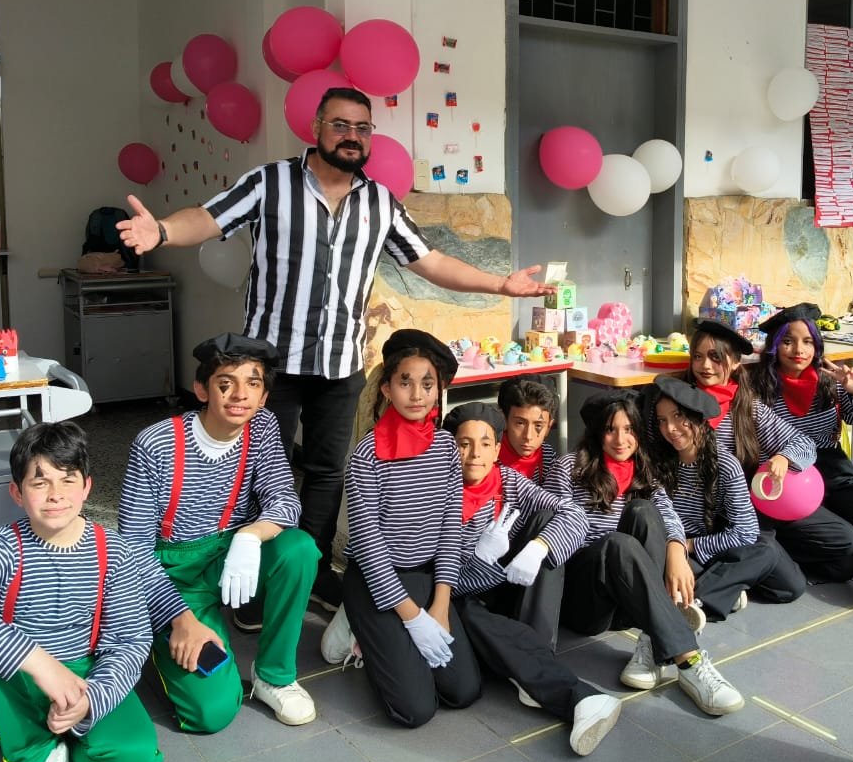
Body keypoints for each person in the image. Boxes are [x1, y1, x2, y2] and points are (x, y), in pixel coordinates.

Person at [117, 87, 553, 611]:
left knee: (326, 473)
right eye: (341, 125)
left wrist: (500, 285)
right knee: (256, 472)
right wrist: (161, 229)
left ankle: (312, 568)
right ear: (316, 129)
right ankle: (253, 582)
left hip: (340, 364)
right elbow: (209, 218)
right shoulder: (270, 182)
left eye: (362, 128)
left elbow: (430, 261)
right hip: (270, 368)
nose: (352, 136)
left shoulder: (378, 202)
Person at [0, 422, 161, 762]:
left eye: (68, 480)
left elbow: (130, 640)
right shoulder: (1, 547)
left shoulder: (114, 552)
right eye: (40, 482)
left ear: (86, 488)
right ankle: (39, 751)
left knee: (134, 754)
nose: (55, 494)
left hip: (87, 673)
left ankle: (56, 731)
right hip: (19, 676)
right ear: (17, 493)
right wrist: (39, 663)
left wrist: (89, 702)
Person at [118, 333, 319, 731]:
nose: (239, 395)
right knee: (211, 713)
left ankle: (274, 675)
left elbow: (285, 499)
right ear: (202, 390)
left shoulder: (261, 427)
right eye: (225, 384)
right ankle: (156, 642)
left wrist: (251, 536)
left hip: (232, 553)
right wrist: (180, 618)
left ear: (264, 397)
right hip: (173, 575)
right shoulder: (156, 444)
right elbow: (133, 548)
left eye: (253, 384)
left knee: (298, 549)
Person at [549, 390, 746, 717]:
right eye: (611, 429)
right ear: (598, 432)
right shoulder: (569, 468)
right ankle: (690, 661)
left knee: (643, 510)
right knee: (617, 544)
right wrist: (610, 550)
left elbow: (666, 513)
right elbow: (560, 531)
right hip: (583, 598)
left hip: (625, 600)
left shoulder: (642, 467)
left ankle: (651, 643)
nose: (621, 440)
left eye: (629, 430)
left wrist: (676, 549)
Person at [442, 402, 620, 756]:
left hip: (509, 589)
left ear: (496, 449)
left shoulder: (508, 481)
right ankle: (576, 694)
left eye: (485, 443)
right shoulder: (436, 493)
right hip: (463, 593)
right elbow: (443, 583)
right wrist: (480, 558)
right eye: (464, 444)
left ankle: (537, 660)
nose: (475, 454)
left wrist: (539, 546)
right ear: (450, 447)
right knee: (462, 611)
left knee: (546, 520)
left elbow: (573, 515)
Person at [338, 329, 479, 728]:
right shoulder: (367, 455)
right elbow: (367, 545)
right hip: (374, 579)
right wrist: (412, 618)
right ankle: (361, 630)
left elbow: (452, 528)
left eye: (427, 384)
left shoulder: (446, 448)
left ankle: (391, 636)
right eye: (405, 382)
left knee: (463, 691)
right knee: (416, 711)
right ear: (386, 389)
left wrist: (439, 603)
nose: (417, 394)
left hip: (425, 578)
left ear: (438, 390)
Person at [683, 321, 841, 585]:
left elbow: (803, 443)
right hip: (692, 514)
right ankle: (716, 579)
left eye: (715, 357)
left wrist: (783, 457)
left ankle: (725, 576)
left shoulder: (746, 407)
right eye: (697, 357)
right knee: (777, 572)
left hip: (737, 514)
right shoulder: (680, 404)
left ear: (735, 363)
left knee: (799, 580)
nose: (705, 366)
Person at [642, 374, 802, 624]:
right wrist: (679, 548)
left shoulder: (726, 464)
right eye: (662, 421)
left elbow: (746, 533)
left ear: (697, 417)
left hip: (714, 542)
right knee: (680, 574)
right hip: (675, 548)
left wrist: (692, 545)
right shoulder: (657, 464)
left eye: (678, 416)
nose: (670, 429)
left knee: (786, 581)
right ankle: (702, 603)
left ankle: (722, 588)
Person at [748, 303, 853, 570]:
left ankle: (829, 535)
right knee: (844, 566)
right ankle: (782, 547)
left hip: (832, 471)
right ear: (774, 346)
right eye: (788, 342)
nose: (798, 350)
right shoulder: (758, 386)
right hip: (787, 478)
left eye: (807, 342)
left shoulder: (832, 383)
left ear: (817, 346)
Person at [496, 376, 560, 484]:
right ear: (504, 420)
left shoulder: (548, 459)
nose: (528, 436)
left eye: (538, 425)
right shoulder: (488, 459)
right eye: (520, 423)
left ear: (549, 426)